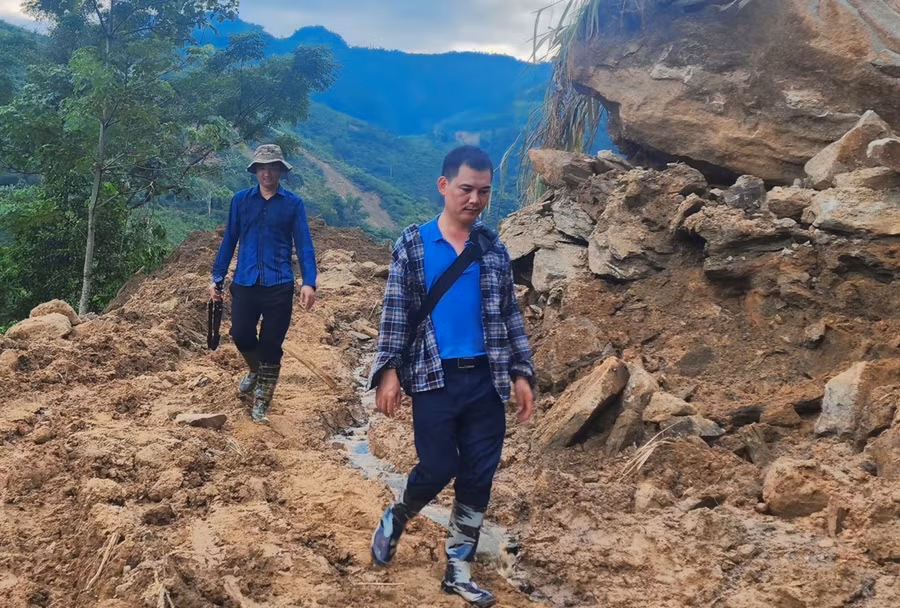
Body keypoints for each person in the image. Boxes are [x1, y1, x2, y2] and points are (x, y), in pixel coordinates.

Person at [367, 145, 535, 607]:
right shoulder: (414, 245)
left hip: (486, 378)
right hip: (432, 377)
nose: (475, 200)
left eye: (484, 191)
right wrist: (389, 372)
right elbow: (396, 312)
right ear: (444, 186)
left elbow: (509, 315)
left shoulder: (493, 247)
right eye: (466, 189)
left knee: (479, 475)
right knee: (439, 465)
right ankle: (398, 515)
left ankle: (457, 569)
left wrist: (522, 372)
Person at [209, 144, 317, 422]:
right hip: (245, 280)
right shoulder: (241, 201)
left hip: (279, 283)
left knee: (271, 344)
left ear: (280, 170)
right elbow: (229, 238)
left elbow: (304, 244)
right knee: (241, 333)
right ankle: (256, 371)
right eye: (262, 167)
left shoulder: (293, 204)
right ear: (255, 170)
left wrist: (309, 282)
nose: (267, 172)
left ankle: (262, 401)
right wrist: (217, 277)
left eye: (272, 167)